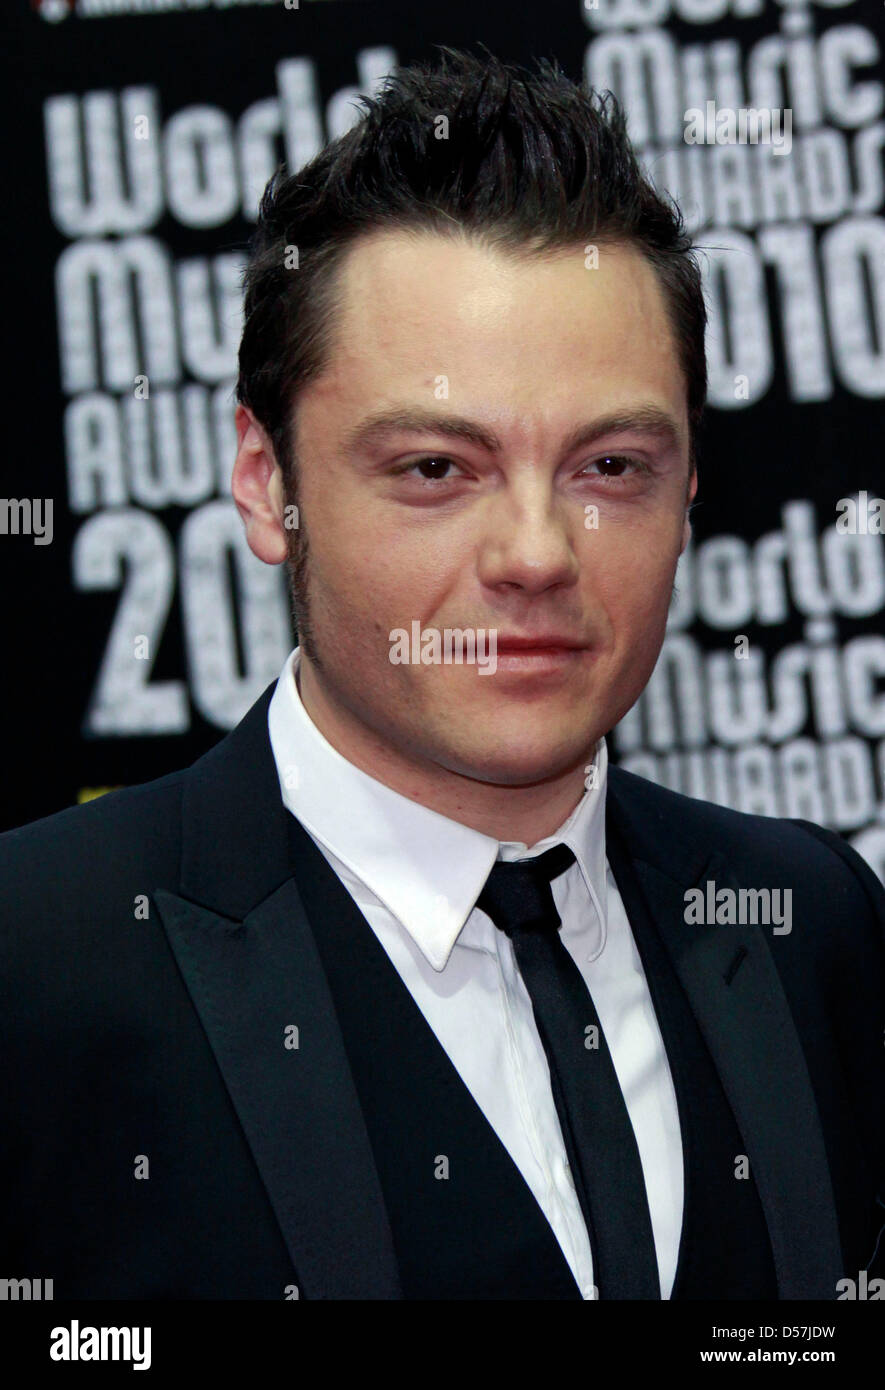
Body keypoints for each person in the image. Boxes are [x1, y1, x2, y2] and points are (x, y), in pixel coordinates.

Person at [2, 47, 882, 1301]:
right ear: (267, 482)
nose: (535, 554)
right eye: (434, 469)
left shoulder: (812, 923)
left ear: (691, 484)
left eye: (610, 467)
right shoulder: (35, 963)